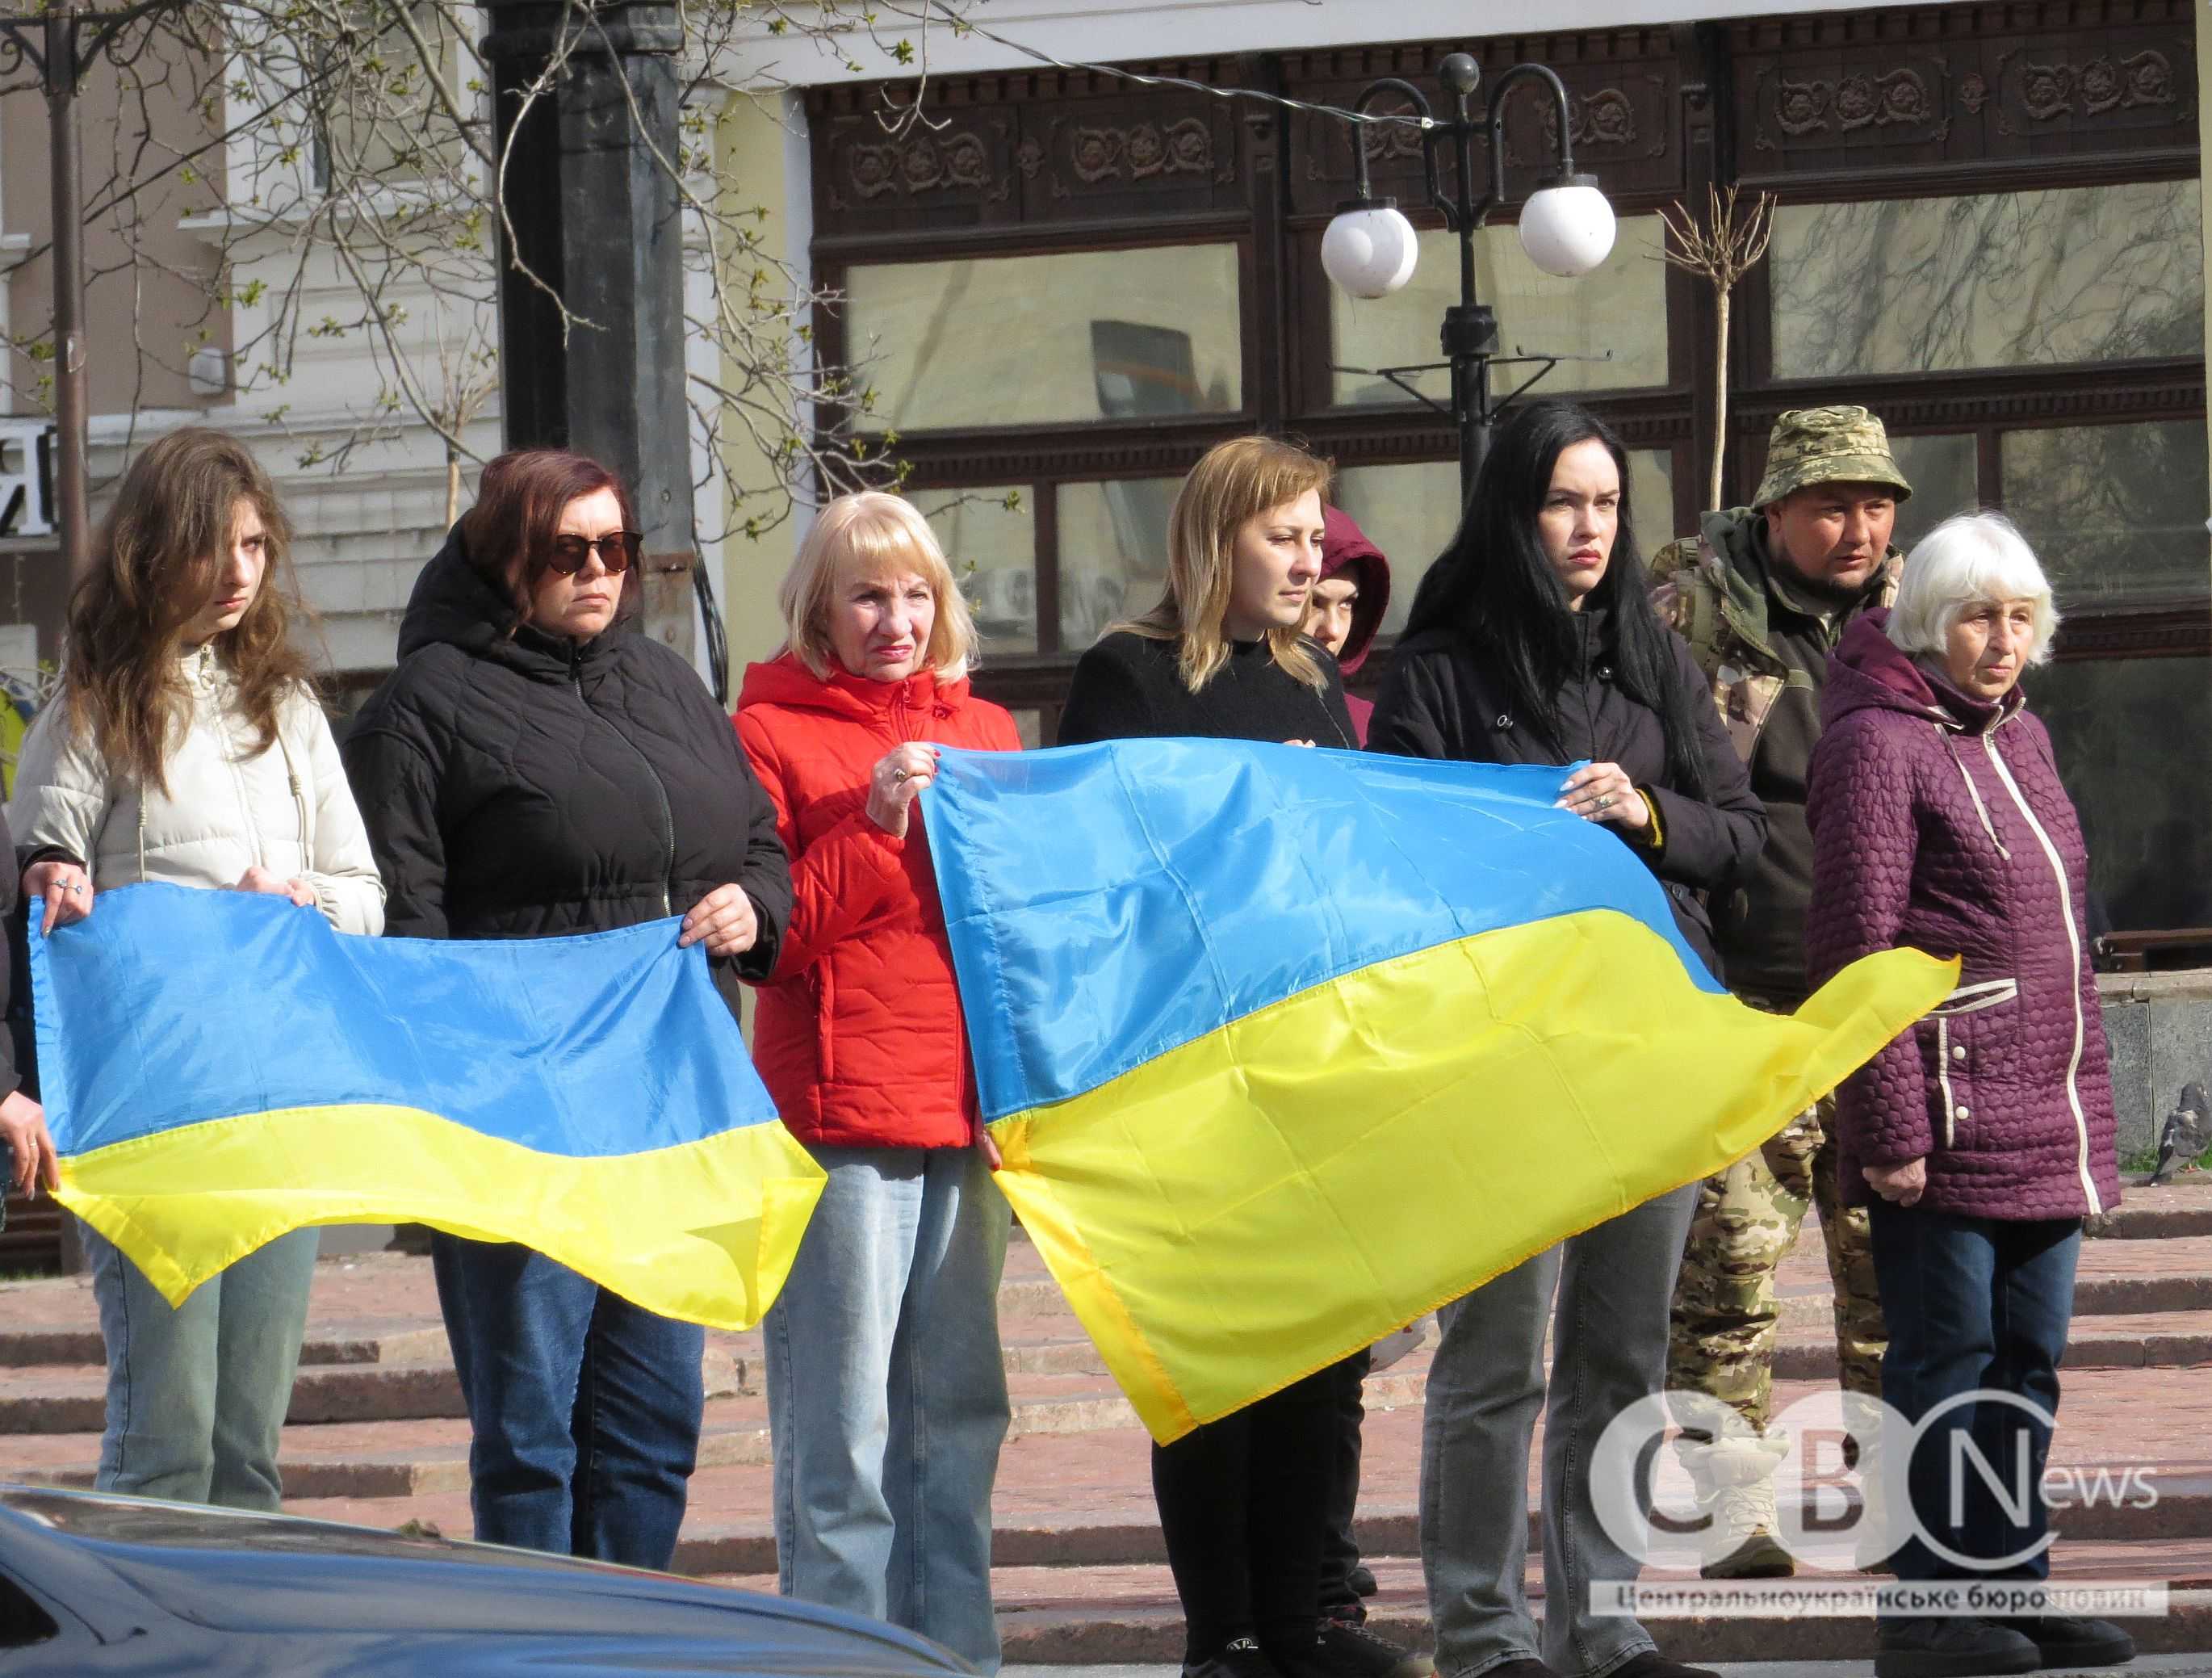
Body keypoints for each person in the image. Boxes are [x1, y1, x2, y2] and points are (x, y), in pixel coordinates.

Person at [341, 448, 791, 1569]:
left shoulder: (666, 683)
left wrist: (753, 905)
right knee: (532, 1436)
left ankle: (629, 1635)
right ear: (505, 557)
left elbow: (757, 839)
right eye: (566, 550)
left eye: (616, 547)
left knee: (654, 1426)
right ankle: (538, 1639)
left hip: (665, 1104)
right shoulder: (422, 708)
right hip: (521, 1115)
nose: (598, 570)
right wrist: (455, 1104)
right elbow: (406, 929)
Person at [1369, 400, 1764, 1678]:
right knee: (1496, 1357)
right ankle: (1485, 1635)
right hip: (1502, 1055)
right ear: (1513, 511)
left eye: (1606, 503)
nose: (1589, 527)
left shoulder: (1656, 661)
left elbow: (1743, 834)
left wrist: (1646, 812)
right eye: (1562, 502)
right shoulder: (1438, 670)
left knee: (1621, 1351)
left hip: (1649, 1042)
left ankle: (1602, 1626)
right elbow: (1397, 862)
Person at [1060, 436, 1421, 1678]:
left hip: (1313, 1058)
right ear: (1219, 538)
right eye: (1284, 536)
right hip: (1190, 1069)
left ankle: (1302, 1622)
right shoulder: (1128, 672)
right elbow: (1100, 873)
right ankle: (1227, 1636)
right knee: (1218, 1363)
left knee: (1318, 1359)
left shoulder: (1312, 677)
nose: (1310, 559)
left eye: (1318, 537)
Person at [9, 426, 385, 1510]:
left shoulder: (289, 708)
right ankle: (132, 1613)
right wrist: (58, 877)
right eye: (212, 545)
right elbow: (40, 893)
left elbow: (365, 898)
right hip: (152, 1097)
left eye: (256, 545)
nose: (238, 571)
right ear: (151, 550)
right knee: (165, 1439)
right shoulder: (96, 703)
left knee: (247, 1446)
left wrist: (301, 903)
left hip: (277, 1096)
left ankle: (239, 1614)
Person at [1805, 514, 2133, 1678]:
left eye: (2021, 618)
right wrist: (1889, 1127)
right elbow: (1857, 945)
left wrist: (2089, 1114)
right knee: (1944, 1361)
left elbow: (2060, 943)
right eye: (1979, 617)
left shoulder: (2023, 735)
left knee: (2024, 1360)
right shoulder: (1876, 744)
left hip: (2043, 1115)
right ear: (1928, 623)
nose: (2003, 640)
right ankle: (1928, 1612)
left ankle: (2010, 1589)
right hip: (1943, 1118)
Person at [734, 491, 1021, 1673]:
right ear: (819, 610)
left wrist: (1018, 1086)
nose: (895, 620)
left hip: (964, 1111)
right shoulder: (766, 732)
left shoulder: (988, 729)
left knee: (957, 1418)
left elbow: (1014, 929)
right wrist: (876, 820)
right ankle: (841, 1656)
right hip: (838, 1116)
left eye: (915, 594)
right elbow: (774, 939)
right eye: (866, 595)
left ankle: (958, 1655)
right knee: (842, 1430)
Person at [1648, 405, 1912, 1575]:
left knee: (1894, 1274)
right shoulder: (1688, 614)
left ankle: (1901, 1503)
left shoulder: (1920, 614)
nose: (1859, 529)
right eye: (1832, 506)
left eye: (1876, 504)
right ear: (1774, 511)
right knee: (1727, 1273)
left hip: (1883, 1005)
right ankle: (1731, 1514)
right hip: (1743, 1002)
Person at [1305, 507, 1392, 747]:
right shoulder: (1222, 707)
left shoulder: (1369, 725)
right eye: (1313, 602)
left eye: (1347, 603)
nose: (1333, 630)